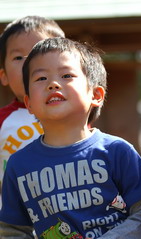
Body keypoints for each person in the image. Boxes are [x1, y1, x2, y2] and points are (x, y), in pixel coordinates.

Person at [0, 37, 141, 239]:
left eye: (66, 75)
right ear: (29, 103)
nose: (53, 84)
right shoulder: (19, 165)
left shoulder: (117, 151)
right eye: (41, 78)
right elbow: (12, 231)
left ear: (96, 95)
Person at [0, 16, 65, 204]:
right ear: (3, 75)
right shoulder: (3, 120)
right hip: (15, 221)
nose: (29, 64)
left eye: (39, 52)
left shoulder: (73, 113)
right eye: (18, 57)